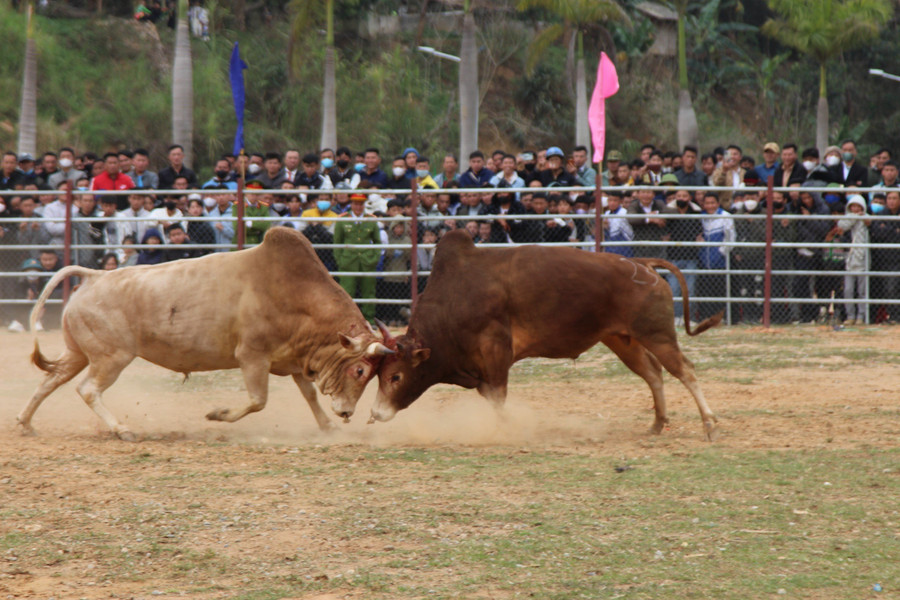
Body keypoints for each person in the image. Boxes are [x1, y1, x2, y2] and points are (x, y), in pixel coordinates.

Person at [333, 193, 381, 321]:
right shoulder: (343, 219)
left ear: (364, 205)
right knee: (347, 292)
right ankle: (346, 320)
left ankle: (369, 319)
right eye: (355, 203)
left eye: (361, 204)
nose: (358, 207)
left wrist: (375, 258)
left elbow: (377, 242)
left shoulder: (371, 219)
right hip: (348, 262)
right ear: (351, 204)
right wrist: (340, 260)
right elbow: (337, 243)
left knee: (369, 292)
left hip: (367, 261)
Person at [663, 188, 703, 323]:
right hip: (673, 256)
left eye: (684, 196)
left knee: (690, 289)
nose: (681, 198)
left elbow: (699, 233)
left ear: (690, 198)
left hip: (691, 257)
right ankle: (676, 317)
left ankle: (688, 318)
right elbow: (665, 233)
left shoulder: (695, 213)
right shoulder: (670, 213)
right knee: (674, 289)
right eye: (678, 196)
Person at [698, 192, 736, 321]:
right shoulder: (700, 217)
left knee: (720, 289)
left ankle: (722, 318)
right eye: (707, 203)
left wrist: (721, 252)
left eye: (712, 203)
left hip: (720, 261)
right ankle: (707, 318)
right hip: (704, 260)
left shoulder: (725, 216)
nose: (710, 206)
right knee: (705, 290)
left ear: (718, 203)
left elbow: (730, 237)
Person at [834, 194, 870, 325]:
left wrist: (861, 217)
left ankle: (861, 316)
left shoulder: (865, 218)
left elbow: (869, 222)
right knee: (848, 290)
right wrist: (854, 217)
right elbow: (842, 225)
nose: (855, 209)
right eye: (853, 206)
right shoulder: (847, 219)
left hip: (862, 258)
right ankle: (850, 315)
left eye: (858, 206)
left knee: (862, 290)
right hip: (849, 259)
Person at [870, 190, 900, 324]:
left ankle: (895, 316)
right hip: (885, 258)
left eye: (894, 198)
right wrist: (895, 230)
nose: (891, 201)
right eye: (889, 198)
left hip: (897, 257)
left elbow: (884, 232)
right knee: (888, 289)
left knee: (893, 288)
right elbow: (877, 232)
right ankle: (893, 316)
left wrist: (886, 228)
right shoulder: (881, 214)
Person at [378, 219, 411, 326]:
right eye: (396, 227)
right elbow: (384, 254)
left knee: (399, 298)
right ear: (392, 228)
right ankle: (389, 318)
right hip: (389, 273)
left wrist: (405, 251)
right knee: (388, 298)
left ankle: (398, 320)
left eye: (401, 227)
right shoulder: (388, 238)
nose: (398, 229)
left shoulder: (407, 240)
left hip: (401, 274)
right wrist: (391, 251)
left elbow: (410, 258)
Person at [627, 187, 667, 259]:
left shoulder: (659, 203)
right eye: (643, 192)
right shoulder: (633, 205)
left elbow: (669, 212)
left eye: (648, 192)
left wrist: (661, 218)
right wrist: (648, 218)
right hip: (640, 244)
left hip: (657, 243)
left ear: (654, 194)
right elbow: (631, 219)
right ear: (638, 194)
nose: (646, 195)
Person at [603, 192, 633, 257]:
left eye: (615, 200)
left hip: (623, 243)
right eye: (610, 200)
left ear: (620, 201)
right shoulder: (607, 213)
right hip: (610, 243)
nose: (612, 203)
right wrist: (605, 227)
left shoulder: (624, 213)